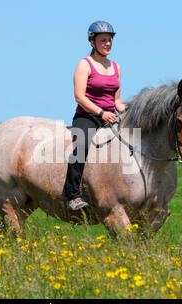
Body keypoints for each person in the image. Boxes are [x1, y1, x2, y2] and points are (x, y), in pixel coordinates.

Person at [62, 21, 127, 211]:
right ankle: (72, 195)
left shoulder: (116, 67)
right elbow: (79, 97)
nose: (107, 44)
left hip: (111, 117)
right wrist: (101, 113)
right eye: (103, 40)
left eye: (109, 40)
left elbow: (117, 100)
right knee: (80, 145)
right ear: (92, 42)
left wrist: (128, 109)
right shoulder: (85, 65)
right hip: (88, 117)